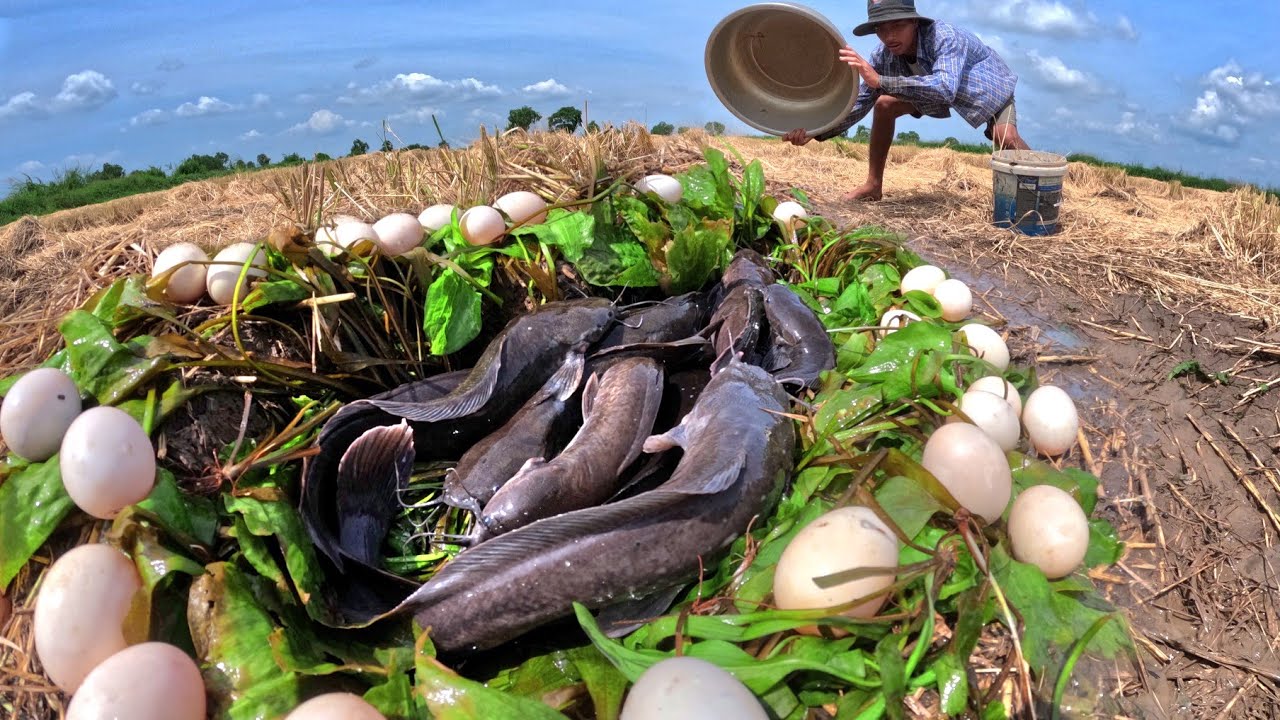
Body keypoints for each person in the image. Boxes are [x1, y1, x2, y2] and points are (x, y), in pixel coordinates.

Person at [784, 0, 1030, 201]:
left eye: (897, 25)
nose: (889, 36)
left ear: (914, 21)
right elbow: (860, 101)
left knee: (1005, 137)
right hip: (927, 92)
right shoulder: (883, 55)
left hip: (982, 89)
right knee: (884, 104)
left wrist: (881, 81)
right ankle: (873, 185)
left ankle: (1044, 185)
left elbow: (945, 88)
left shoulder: (945, 37)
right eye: (881, 28)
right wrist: (816, 131)